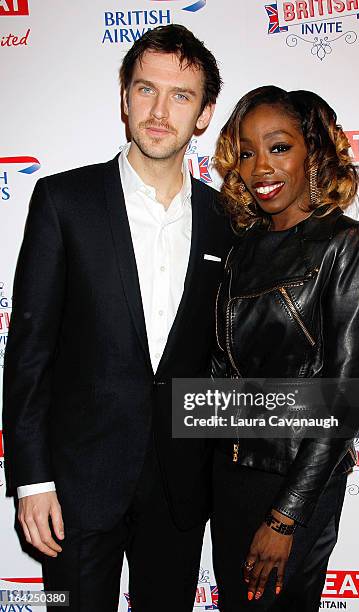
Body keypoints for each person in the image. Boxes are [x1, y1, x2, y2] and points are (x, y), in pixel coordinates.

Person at [2, 24, 233, 612]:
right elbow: (29, 353)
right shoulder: (64, 202)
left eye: (181, 96)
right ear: (124, 98)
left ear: (204, 114)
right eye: (145, 89)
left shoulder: (225, 220)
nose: (160, 111)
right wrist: (32, 480)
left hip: (180, 490)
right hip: (75, 489)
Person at [211, 86, 359, 611]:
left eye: (279, 147)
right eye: (246, 151)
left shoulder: (348, 245)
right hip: (230, 477)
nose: (261, 166)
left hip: (295, 482)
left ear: (313, 150)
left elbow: (345, 396)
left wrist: (286, 516)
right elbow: (221, 378)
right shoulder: (239, 251)